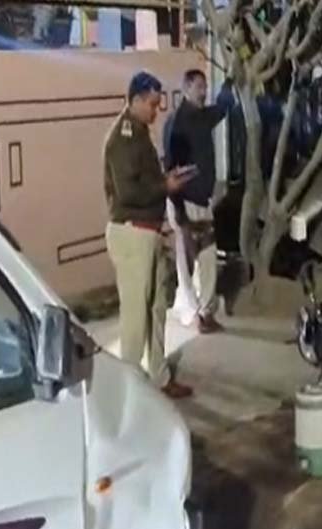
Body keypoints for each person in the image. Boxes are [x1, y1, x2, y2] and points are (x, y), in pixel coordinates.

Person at [104, 71, 195, 399]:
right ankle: (129, 388)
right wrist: (165, 186)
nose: (157, 111)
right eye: (153, 104)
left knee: (157, 308)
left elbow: (144, 181)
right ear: (137, 100)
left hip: (149, 232)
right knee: (135, 317)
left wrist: (166, 180)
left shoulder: (140, 133)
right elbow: (128, 192)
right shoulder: (124, 137)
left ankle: (159, 376)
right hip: (132, 233)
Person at [163, 69, 232, 333]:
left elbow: (222, 109)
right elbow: (172, 171)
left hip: (202, 201)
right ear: (186, 89)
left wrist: (231, 80)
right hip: (186, 201)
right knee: (187, 259)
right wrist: (179, 211)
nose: (204, 92)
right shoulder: (178, 124)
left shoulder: (201, 117)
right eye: (199, 87)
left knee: (207, 255)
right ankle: (193, 313)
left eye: (205, 87)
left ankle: (205, 311)